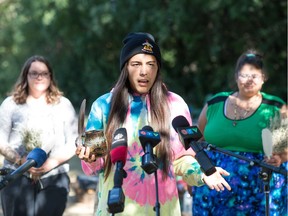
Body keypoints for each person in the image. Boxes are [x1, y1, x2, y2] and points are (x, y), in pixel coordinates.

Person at [75, 32, 231, 216]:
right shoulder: (103, 106)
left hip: (163, 208)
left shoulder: (175, 105)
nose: (144, 71)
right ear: (125, 68)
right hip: (116, 208)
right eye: (136, 64)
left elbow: (181, 158)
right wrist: (90, 157)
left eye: (151, 64)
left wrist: (201, 173)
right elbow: (96, 164)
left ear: (158, 69)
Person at [192, 49, 287, 215]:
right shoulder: (216, 102)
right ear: (236, 77)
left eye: (255, 75)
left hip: (259, 190)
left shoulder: (275, 107)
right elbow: (195, 142)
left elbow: (284, 152)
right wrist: (192, 173)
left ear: (264, 77)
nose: (249, 80)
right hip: (213, 188)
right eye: (244, 75)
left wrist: (278, 158)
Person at [0, 55, 78, 216]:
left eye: (44, 73)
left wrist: (51, 162)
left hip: (54, 178)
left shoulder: (63, 105)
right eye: (34, 73)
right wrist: (21, 161)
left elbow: (74, 141)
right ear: (25, 75)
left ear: (50, 76)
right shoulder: (10, 104)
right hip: (16, 177)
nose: (39, 77)